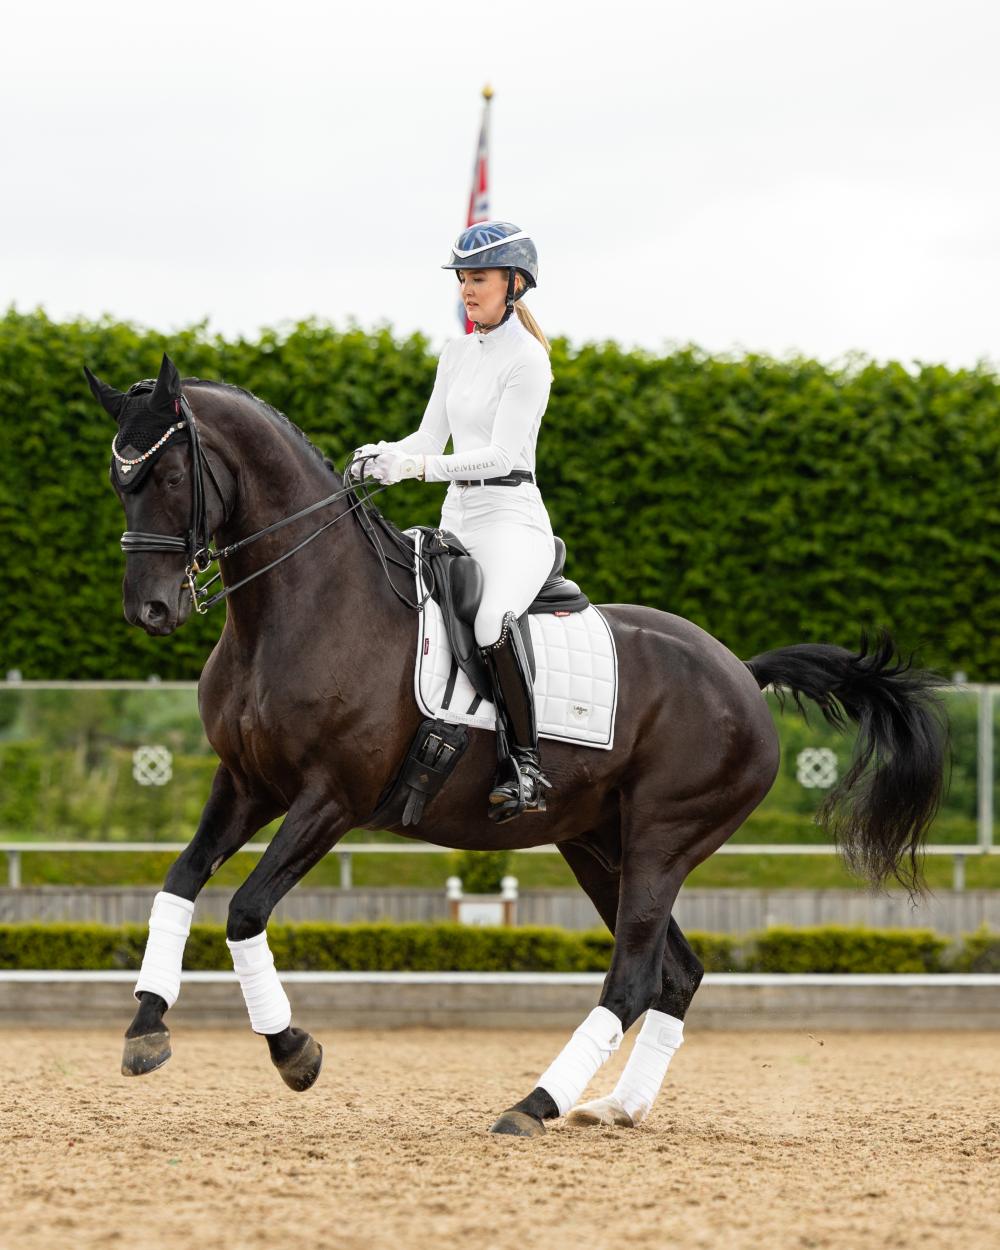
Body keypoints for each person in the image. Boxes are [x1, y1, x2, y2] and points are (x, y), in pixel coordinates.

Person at [352, 220, 556, 822]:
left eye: (480, 279)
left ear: (514, 284)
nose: (468, 290)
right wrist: (383, 451)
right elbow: (428, 434)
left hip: (510, 520)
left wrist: (412, 468)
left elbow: (499, 455)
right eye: (464, 279)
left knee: (492, 622)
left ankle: (525, 763)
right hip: (456, 516)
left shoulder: (529, 361)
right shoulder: (457, 351)